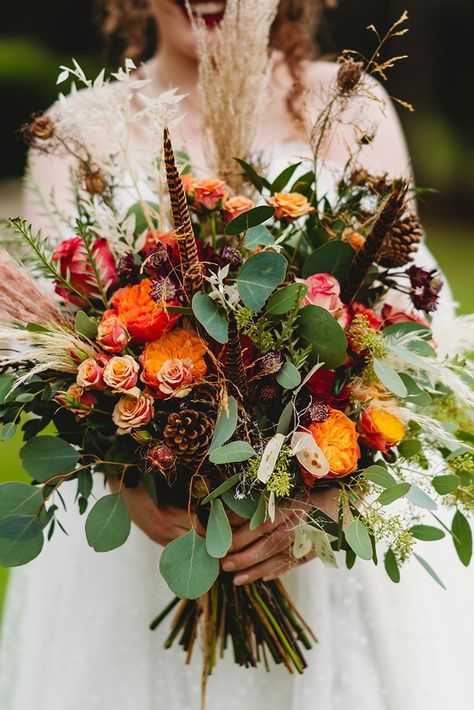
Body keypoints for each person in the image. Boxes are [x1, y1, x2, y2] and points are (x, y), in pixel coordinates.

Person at [0, 2, 472, 709]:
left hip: (332, 566)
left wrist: (332, 492)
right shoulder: (75, 131)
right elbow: (46, 353)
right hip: (144, 551)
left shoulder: (346, 103)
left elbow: (411, 340)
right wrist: (131, 479)